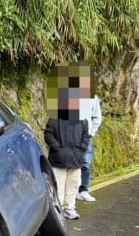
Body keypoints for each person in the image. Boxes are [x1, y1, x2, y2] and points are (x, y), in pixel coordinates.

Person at [44, 89, 91, 220]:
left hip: (76, 159)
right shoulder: (54, 118)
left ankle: (69, 208)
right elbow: (48, 135)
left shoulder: (83, 119)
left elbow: (86, 137)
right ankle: (57, 210)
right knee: (57, 185)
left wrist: (80, 151)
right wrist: (58, 149)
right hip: (58, 159)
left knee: (73, 184)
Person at [75, 73, 102, 202]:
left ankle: (83, 190)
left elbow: (97, 117)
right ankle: (72, 192)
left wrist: (91, 131)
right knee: (70, 164)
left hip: (86, 136)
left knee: (85, 163)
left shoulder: (93, 97)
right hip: (70, 135)